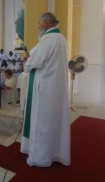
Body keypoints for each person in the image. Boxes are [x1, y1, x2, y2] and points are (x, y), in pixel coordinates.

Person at [20, 12, 70, 167]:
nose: (38, 25)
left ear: (47, 23)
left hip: (45, 89)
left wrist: (27, 62)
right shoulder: (61, 38)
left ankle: (40, 157)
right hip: (55, 88)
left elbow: (34, 62)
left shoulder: (49, 39)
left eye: (39, 22)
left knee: (42, 122)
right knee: (54, 122)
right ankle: (54, 152)